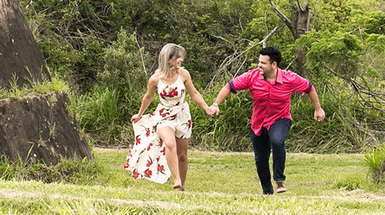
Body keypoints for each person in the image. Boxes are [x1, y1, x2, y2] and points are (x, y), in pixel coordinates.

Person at [209, 45, 325, 195]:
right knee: (261, 159)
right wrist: (216, 104)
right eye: (259, 62)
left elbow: (309, 87)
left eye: (263, 63)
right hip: (258, 123)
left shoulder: (289, 78)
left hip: (280, 119)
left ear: (274, 64)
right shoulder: (252, 76)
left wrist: (318, 108)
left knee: (277, 140)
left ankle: (279, 180)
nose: (259, 65)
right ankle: (267, 192)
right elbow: (230, 86)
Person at [124, 43, 217, 191]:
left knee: (182, 156)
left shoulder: (184, 74)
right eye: (178, 57)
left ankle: (182, 187)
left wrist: (206, 108)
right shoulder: (155, 79)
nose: (181, 60)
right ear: (168, 59)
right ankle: (176, 179)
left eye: (181, 57)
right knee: (169, 143)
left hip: (182, 115)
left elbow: (194, 93)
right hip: (164, 115)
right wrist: (139, 114)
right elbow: (148, 97)